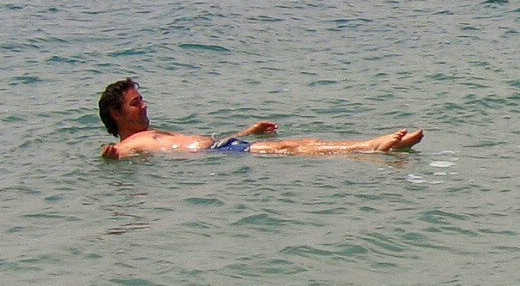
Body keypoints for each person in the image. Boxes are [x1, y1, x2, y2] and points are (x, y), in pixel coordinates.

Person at [97, 78, 423, 160]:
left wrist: (247, 130)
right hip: (220, 154)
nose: (144, 106)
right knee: (290, 149)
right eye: (135, 103)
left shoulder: (152, 133)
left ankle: (372, 147)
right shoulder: (132, 144)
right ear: (116, 113)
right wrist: (110, 158)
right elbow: (118, 156)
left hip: (225, 146)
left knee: (301, 144)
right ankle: (370, 147)